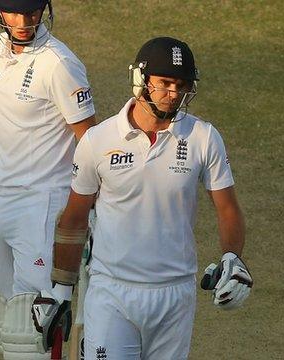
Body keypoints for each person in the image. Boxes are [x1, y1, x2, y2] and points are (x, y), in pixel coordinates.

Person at [31, 37, 253, 360]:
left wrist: (233, 258)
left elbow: (228, 208)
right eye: (164, 83)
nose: (173, 93)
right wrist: (61, 289)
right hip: (112, 292)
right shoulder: (98, 140)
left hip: (175, 295)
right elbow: (75, 218)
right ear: (141, 80)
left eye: (181, 85)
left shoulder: (203, 138)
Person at [0, 0, 96, 358]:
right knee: (8, 324)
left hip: (42, 207)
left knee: (35, 330)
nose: (24, 21)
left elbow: (91, 141)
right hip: (0, 201)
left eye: (33, 10)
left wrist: (89, 208)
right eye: (14, 12)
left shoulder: (59, 64)